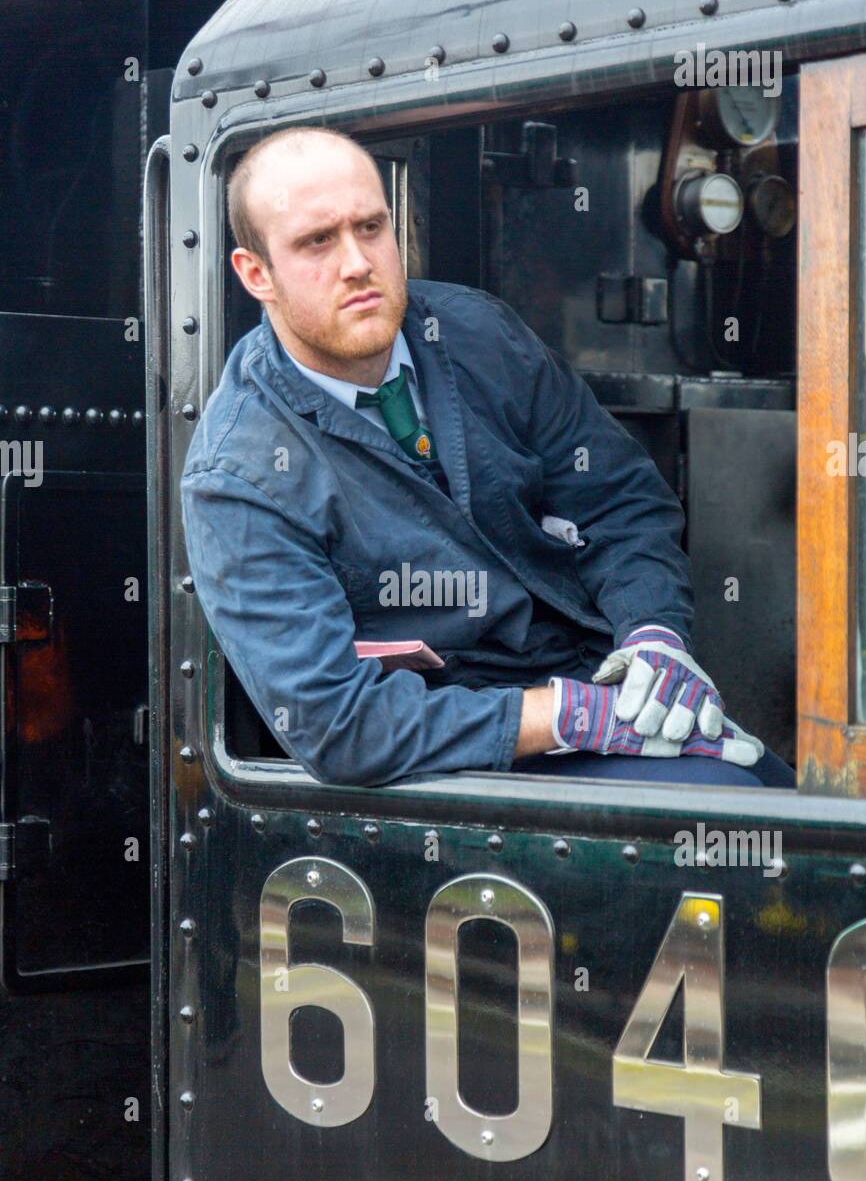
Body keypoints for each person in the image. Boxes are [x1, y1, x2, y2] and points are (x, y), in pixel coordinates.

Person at [180, 126, 794, 791]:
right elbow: (338, 725)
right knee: (729, 814)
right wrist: (569, 717)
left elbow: (620, 500)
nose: (358, 263)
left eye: (371, 227)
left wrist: (653, 635)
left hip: (602, 677)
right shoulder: (237, 473)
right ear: (255, 274)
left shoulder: (479, 334)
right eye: (316, 242)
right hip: (458, 752)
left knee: (787, 795)